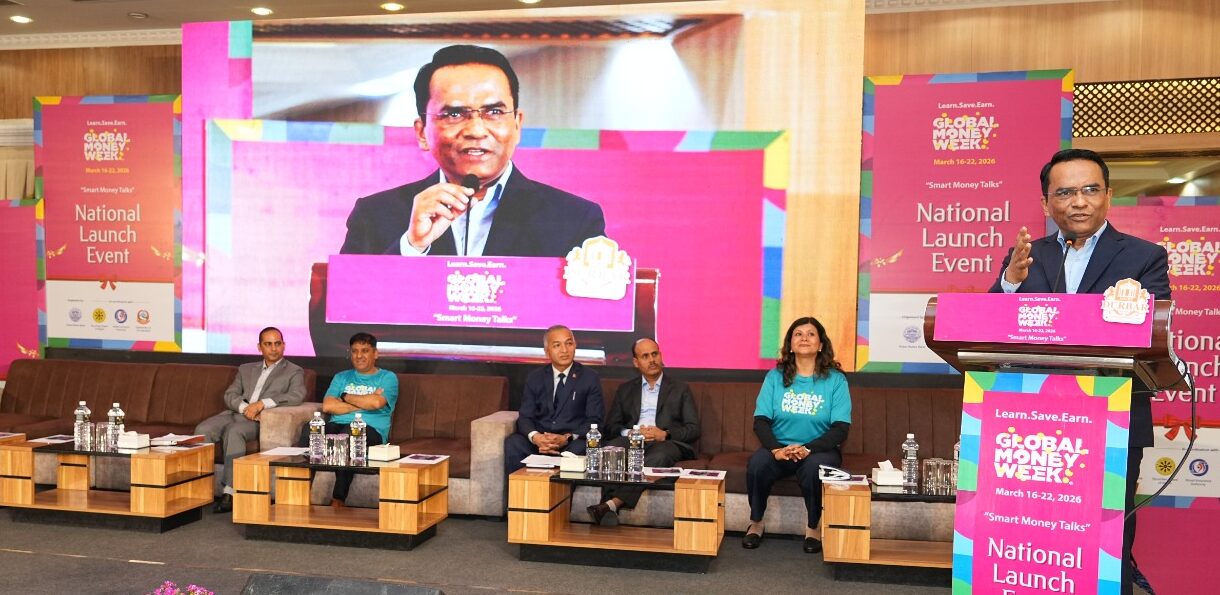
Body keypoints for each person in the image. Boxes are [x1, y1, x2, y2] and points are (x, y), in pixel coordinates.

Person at [990, 148, 1171, 595]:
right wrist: (1009, 284)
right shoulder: (1025, 257)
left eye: (1090, 190)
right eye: (1065, 192)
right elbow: (987, 327)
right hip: (1033, 424)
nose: (1079, 202)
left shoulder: (1144, 256)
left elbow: (1152, 333)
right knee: (1036, 533)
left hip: (1113, 419)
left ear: (1108, 195)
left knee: (1106, 536)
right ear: (1045, 202)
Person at [341, 44, 605, 257]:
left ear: (517, 125)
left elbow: (594, 307)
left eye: (494, 112)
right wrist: (412, 247)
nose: (476, 130)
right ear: (422, 132)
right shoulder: (374, 216)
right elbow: (345, 307)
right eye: (454, 114)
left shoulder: (573, 219)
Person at [742, 317, 851, 554]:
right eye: (798, 334)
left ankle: (813, 527)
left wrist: (808, 448)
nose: (804, 338)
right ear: (790, 344)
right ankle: (756, 522)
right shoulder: (775, 377)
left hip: (819, 450)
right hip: (780, 447)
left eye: (811, 334)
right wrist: (776, 450)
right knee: (757, 464)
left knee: (813, 468)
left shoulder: (836, 380)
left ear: (820, 344)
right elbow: (761, 421)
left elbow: (840, 428)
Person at [587, 338, 699, 526]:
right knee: (611, 450)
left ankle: (610, 505)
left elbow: (693, 428)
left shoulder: (680, 389)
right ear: (636, 362)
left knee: (658, 457)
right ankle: (608, 509)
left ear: (661, 356)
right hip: (632, 439)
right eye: (645, 356)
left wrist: (665, 434)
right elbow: (611, 426)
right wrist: (629, 433)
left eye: (655, 354)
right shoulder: (625, 390)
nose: (652, 360)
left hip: (665, 443)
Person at [196, 327, 306, 514]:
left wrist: (262, 404)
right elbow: (230, 394)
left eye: (277, 343)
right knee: (202, 430)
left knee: (234, 431)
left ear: (284, 345)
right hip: (237, 412)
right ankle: (200, 488)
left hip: (261, 420)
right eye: (268, 344)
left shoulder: (294, 371)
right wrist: (244, 408)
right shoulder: (245, 369)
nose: (273, 348)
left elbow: (297, 395)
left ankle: (230, 491)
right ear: (259, 347)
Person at [309, 332, 399, 507]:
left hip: (371, 430)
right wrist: (365, 401)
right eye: (355, 351)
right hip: (337, 424)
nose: (359, 356)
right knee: (310, 432)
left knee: (348, 436)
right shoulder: (341, 377)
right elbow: (328, 406)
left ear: (375, 354)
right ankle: (301, 492)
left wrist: (344, 397)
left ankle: (338, 499)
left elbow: (376, 403)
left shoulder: (388, 377)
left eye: (365, 351)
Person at [504, 325, 604, 476]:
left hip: (570, 442)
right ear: (547, 351)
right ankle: (518, 490)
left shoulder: (589, 377)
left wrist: (567, 438)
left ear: (575, 346)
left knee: (582, 447)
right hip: (540, 442)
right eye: (557, 345)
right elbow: (525, 416)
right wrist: (536, 437)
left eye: (569, 343)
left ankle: (559, 490)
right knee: (514, 443)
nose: (564, 350)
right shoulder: (535, 377)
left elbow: (595, 419)